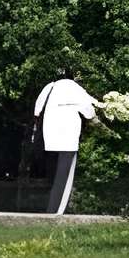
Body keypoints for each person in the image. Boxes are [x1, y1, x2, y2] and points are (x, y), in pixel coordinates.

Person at [33, 74, 99, 215]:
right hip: (68, 140)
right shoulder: (75, 89)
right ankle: (55, 212)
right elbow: (89, 112)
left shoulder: (49, 87)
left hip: (48, 139)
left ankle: (46, 208)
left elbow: (37, 111)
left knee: (51, 177)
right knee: (63, 179)